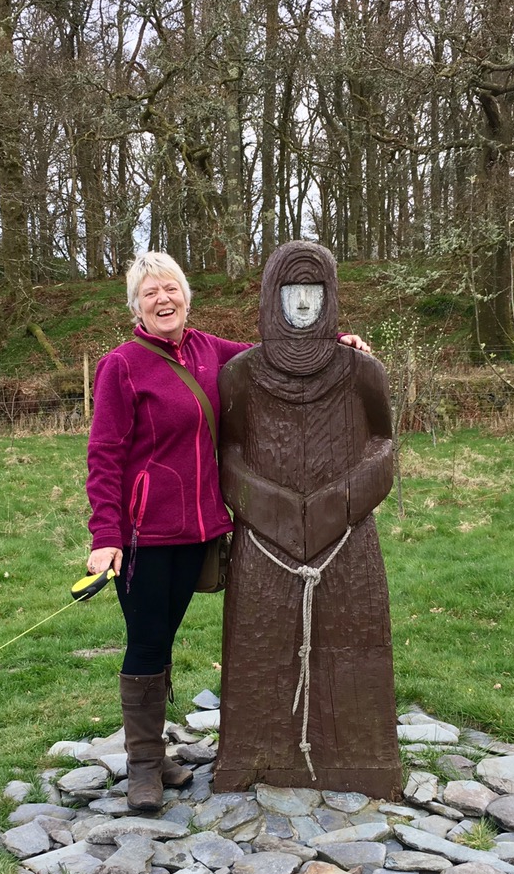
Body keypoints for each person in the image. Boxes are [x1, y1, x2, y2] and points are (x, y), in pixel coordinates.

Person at [86, 250, 369, 812]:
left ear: (186, 297)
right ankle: (143, 768)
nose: (163, 300)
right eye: (150, 293)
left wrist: (334, 341)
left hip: (200, 532)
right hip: (145, 536)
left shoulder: (207, 349)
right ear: (136, 307)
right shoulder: (121, 365)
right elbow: (105, 454)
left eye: (170, 289)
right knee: (147, 641)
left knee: (164, 638)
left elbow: (273, 355)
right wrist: (106, 536)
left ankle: (157, 756)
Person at [214, 240, 402, 799]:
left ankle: (361, 758)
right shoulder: (240, 374)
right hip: (264, 543)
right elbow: (229, 453)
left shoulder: (361, 372)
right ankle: (255, 754)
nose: (302, 305)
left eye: (313, 293)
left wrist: (335, 504)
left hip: (346, 539)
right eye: (291, 293)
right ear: (271, 298)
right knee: (260, 648)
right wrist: (273, 508)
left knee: (353, 645)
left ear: (331, 297)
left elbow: (384, 445)